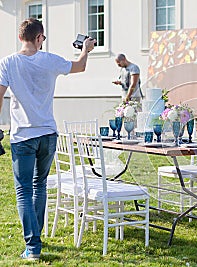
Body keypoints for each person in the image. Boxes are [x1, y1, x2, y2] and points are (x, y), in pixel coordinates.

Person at [0, 18, 96, 261]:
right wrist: (86, 49)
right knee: (39, 184)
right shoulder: (51, 60)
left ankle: (33, 246)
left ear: (21, 37)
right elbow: (80, 67)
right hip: (47, 134)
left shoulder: (8, 63)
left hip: (23, 136)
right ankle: (36, 238)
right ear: (39, 37)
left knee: (23, 190)